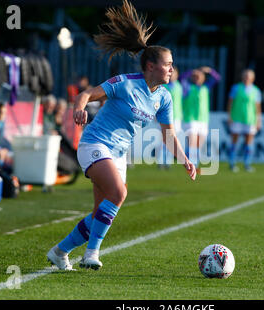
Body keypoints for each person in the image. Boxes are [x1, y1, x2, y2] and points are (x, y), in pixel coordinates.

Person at [47, 0, 196, 271]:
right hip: (95, 144)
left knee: (98, 213)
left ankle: (60, 251)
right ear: (150, 66)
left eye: (173, 65)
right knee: (118, 193)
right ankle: (91, 253)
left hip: (118, 154)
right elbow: (86, 94)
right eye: (168, 64)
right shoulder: (125, 83)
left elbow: (168, 135)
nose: (172, 69)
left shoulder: (164, 97)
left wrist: (185, 159)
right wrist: (79, 108)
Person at [180, 66, 221, 173]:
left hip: (203, 120)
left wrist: (209, 71)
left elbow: (217, 78)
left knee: (198, 145)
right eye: (196, 76)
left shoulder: (205, 88)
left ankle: (195, 165)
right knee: (192, 144)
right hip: (191, 119)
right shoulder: (188, 87)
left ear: (203, 78)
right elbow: (182, 79)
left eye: (200, 76)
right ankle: (190, 165)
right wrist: (191, 71)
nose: (198, 78)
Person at [227, 69, 262, 172]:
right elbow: (230, 103)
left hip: (250, 119)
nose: (247, 78)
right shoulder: (236, 88)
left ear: (252, 78)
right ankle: (232, 163)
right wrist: (229, 116)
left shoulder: (256, 90)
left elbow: (258, 107)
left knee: (249, 142)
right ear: (242, 77)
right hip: (237, 117)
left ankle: (247, 164)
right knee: (234, 140)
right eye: (245, 76)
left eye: (249, 76)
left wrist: (259, 120)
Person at [156, 66, 183, 168]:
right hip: (164, 116)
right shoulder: (163, 86)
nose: (172, 76)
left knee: (173, 139)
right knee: (163, 139)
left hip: (176, 116)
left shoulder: (179, 86)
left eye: (174, 74)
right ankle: (160, 160)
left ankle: (168, 161)